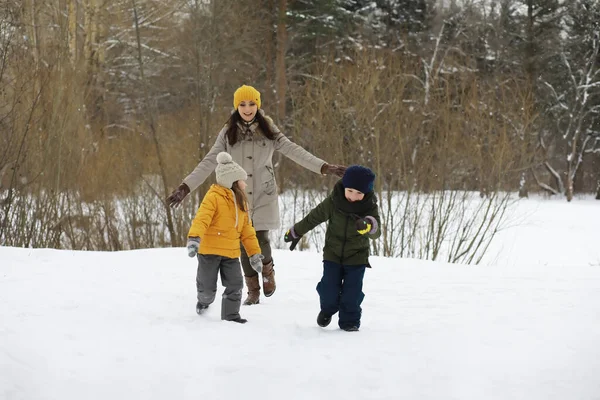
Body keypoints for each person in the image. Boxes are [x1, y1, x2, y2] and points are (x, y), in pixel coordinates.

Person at [169, 84, 346, 306]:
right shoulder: (227, 132)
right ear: (236, 106)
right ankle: (252, 289)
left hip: (264, 192)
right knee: (243, 242)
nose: (247, 108)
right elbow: (209, 161)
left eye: (252, 103)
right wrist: (185, 187)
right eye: (242, 104)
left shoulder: (268, 129)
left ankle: (267, 271)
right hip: (238, 195)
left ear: (258, 105)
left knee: (261, 239)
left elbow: (293, 150)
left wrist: (324, 167)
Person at [283, 165, 380, 332]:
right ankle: (327, 310)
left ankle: (350, 321)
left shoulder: (369, 206)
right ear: (344, 186)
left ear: (366, 193)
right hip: (332, 255)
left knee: (352, 293)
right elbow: (314, 217)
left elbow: (375, 232)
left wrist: (368, 226)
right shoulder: (334, 201)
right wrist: (296, 231)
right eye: (350, 190)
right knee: (329, 290)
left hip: (357, 257)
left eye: (359, 193)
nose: (353, 196)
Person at [186, 152, 264, 324]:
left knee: (235, 285)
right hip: (209, 251)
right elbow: (202, 218)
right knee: (207, 289)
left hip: (231, 253)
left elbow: (247, 232)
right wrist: (194, 238)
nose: (245, 184)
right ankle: (204, 301)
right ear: (232, 181)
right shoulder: (213, 197)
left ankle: (231, 316)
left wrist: (254, 254)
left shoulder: (242, 203)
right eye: (241, 180)